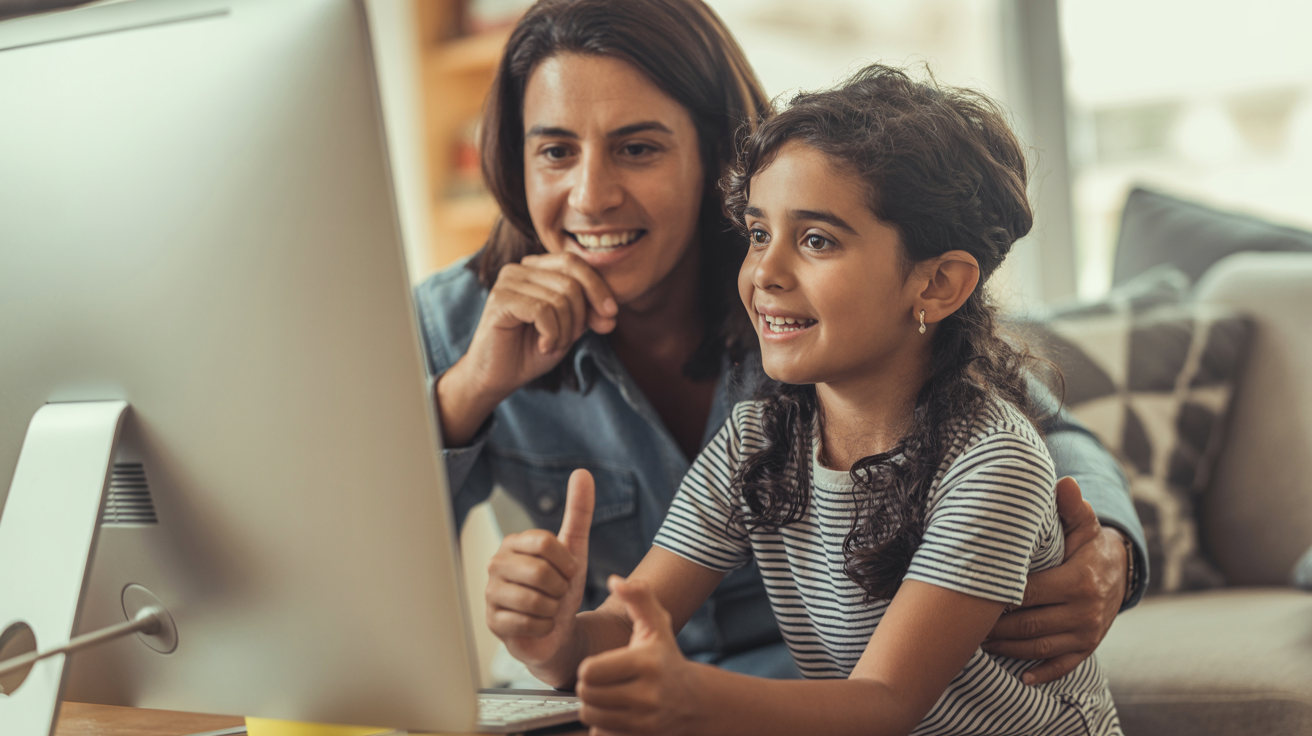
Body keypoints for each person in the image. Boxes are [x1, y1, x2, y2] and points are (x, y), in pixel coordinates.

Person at [414, 0, 1146, 684]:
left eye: (637, 149)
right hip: (609, 674)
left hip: (807, 690)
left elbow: (1036, 433)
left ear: (713, 156)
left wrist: (1109, 548)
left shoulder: (815, 291)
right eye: (555, 152)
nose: (590, 196)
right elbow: (371, 563)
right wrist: (468, 390)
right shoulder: (458, 321)